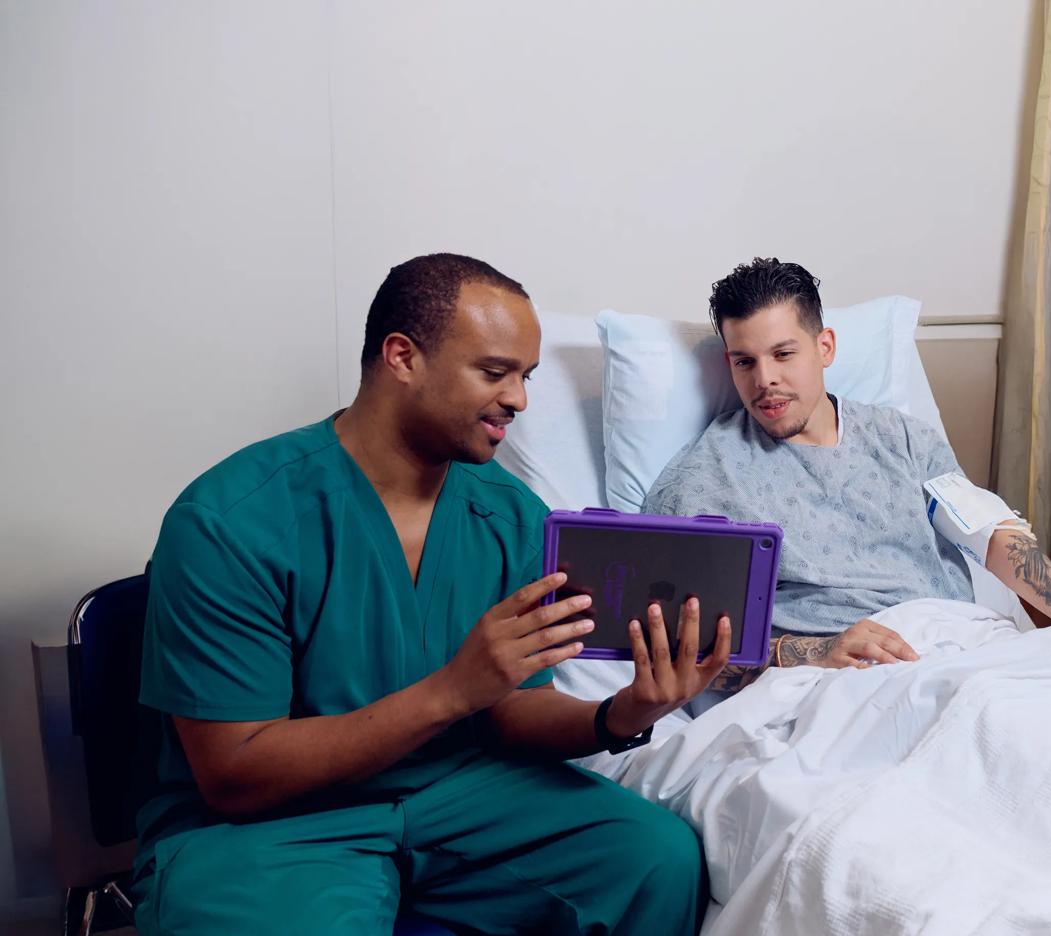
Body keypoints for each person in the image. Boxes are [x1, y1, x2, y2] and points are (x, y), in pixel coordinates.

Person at [132, 253, 732, 935]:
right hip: (274, 827)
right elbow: (234, 775)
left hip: (455, 790)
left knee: (655, 857)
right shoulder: (232, 520)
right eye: (494, 371)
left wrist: (621, 713)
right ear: (401, 357)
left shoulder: (511, 515)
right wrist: (453, 689)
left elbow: (513, 708)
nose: (519, 399)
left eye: (526, 377)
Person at [642, 257, 1051, 692]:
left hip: (961, 650)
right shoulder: (701, 484)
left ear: (824, 347)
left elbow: (990, 535)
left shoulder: (902, 439)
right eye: (744, 362)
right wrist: (813, 652)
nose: (766, 381)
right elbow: (688, 654)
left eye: (783, 354)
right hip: (837, 683)